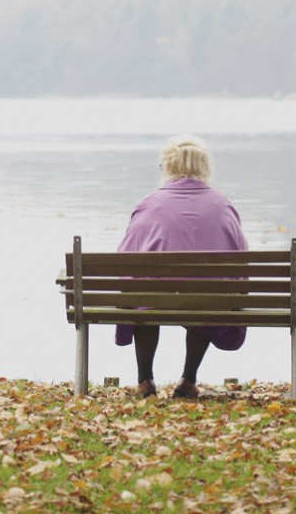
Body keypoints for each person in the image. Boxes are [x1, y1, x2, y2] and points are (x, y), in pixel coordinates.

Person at [115, 134, 248, 400]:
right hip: (207, 300)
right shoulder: (222, 205)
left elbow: (124, 260)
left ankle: (145, 382)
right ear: (204, 167)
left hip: (154, 298)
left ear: (168, 167)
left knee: (142, 299)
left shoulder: (149, 204)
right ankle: (188, 379)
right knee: (205, 295)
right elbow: (241, 259)